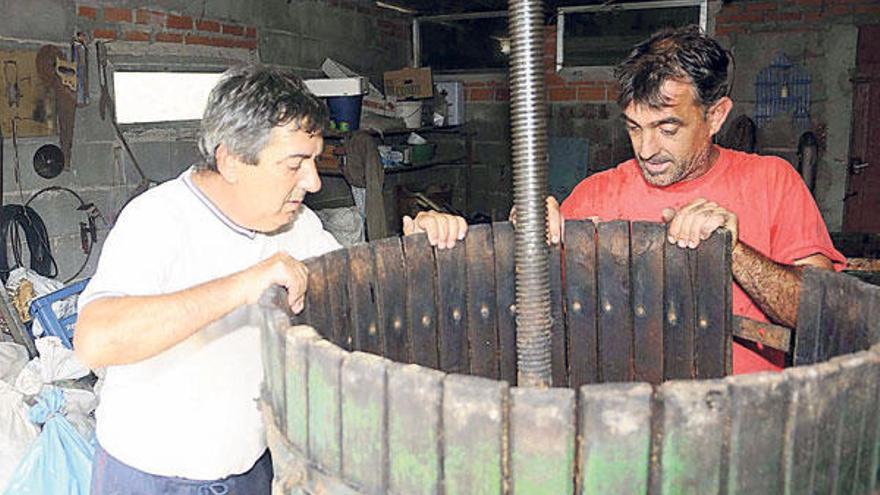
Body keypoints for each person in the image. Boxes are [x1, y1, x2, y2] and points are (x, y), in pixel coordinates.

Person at [73, 65, 467, 494]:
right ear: (231, 160)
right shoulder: (159, 219)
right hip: (150, 479)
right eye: (294, 164)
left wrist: (414, 252)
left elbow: (357, 301)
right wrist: (244, 285)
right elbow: (96, 341)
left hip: (251, 472)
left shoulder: (298, 224)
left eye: (314, 161)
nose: (313, 182)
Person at [546, 26, 845, 374]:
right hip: (625, 412)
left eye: (667, 129)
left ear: (715, 115)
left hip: (746, 414)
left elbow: (825, 315)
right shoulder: (596, 193)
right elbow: (538, 310)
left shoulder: (772, 182)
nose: (646, 150)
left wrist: (732, 251)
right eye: (634, 127)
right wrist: (532, 241)